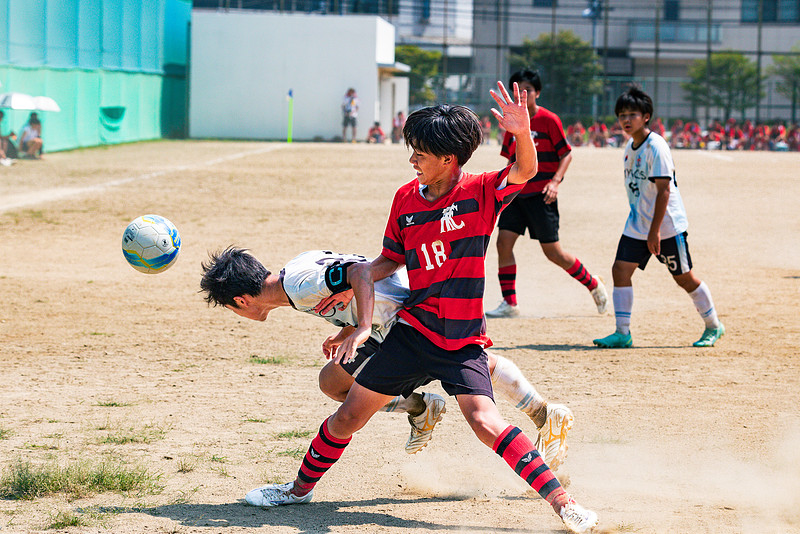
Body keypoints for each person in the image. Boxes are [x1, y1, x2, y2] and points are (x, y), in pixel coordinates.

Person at [243, 81, 598, 533]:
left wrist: (522, 132)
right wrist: (356, 297)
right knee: (349, 412)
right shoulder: (405, 199)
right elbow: (387, 260)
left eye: (420, 153)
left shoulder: (481, 192)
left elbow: (526, 170)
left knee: (484, 421)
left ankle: (565, 504)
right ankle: (295, 492)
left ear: (448, 159)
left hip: (463, 339)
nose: (412, 160)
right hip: (412, 333)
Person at [201, 247, 574, 464]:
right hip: (390, 320)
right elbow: (351, 285)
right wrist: (348, 329)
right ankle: (421, 407)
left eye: (232, 309)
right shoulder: (294, 271)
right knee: (333, 381)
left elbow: (360, 274)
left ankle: (544, 412)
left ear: (241, 300)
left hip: (413, 315)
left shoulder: (300, 285)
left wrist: (360, 326)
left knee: (471, 367)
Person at [593, 86, 725, 349]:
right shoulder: (630, 147)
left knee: (684, 278)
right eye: (621, 115)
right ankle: (622, 332)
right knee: (620, 269)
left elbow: (664, 190)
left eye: (632, 114)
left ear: (646, 116)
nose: (626, 120)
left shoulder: (657, 146)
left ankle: (713, 326)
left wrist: (655, 233)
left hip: (666, 226)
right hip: (638, 224)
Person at [486, 69, 607, 318]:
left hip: (542, 195)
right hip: (517, 195)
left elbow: (566, 154)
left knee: (554, 253)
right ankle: (510, 304)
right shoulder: (512, 122)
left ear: (537, 93)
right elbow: (510, 158)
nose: (521, 94)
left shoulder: (549, 120)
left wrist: (555, 182)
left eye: (526, 89)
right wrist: (502, 192)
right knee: (503, 243)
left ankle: (593, 284)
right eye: (516, 89)